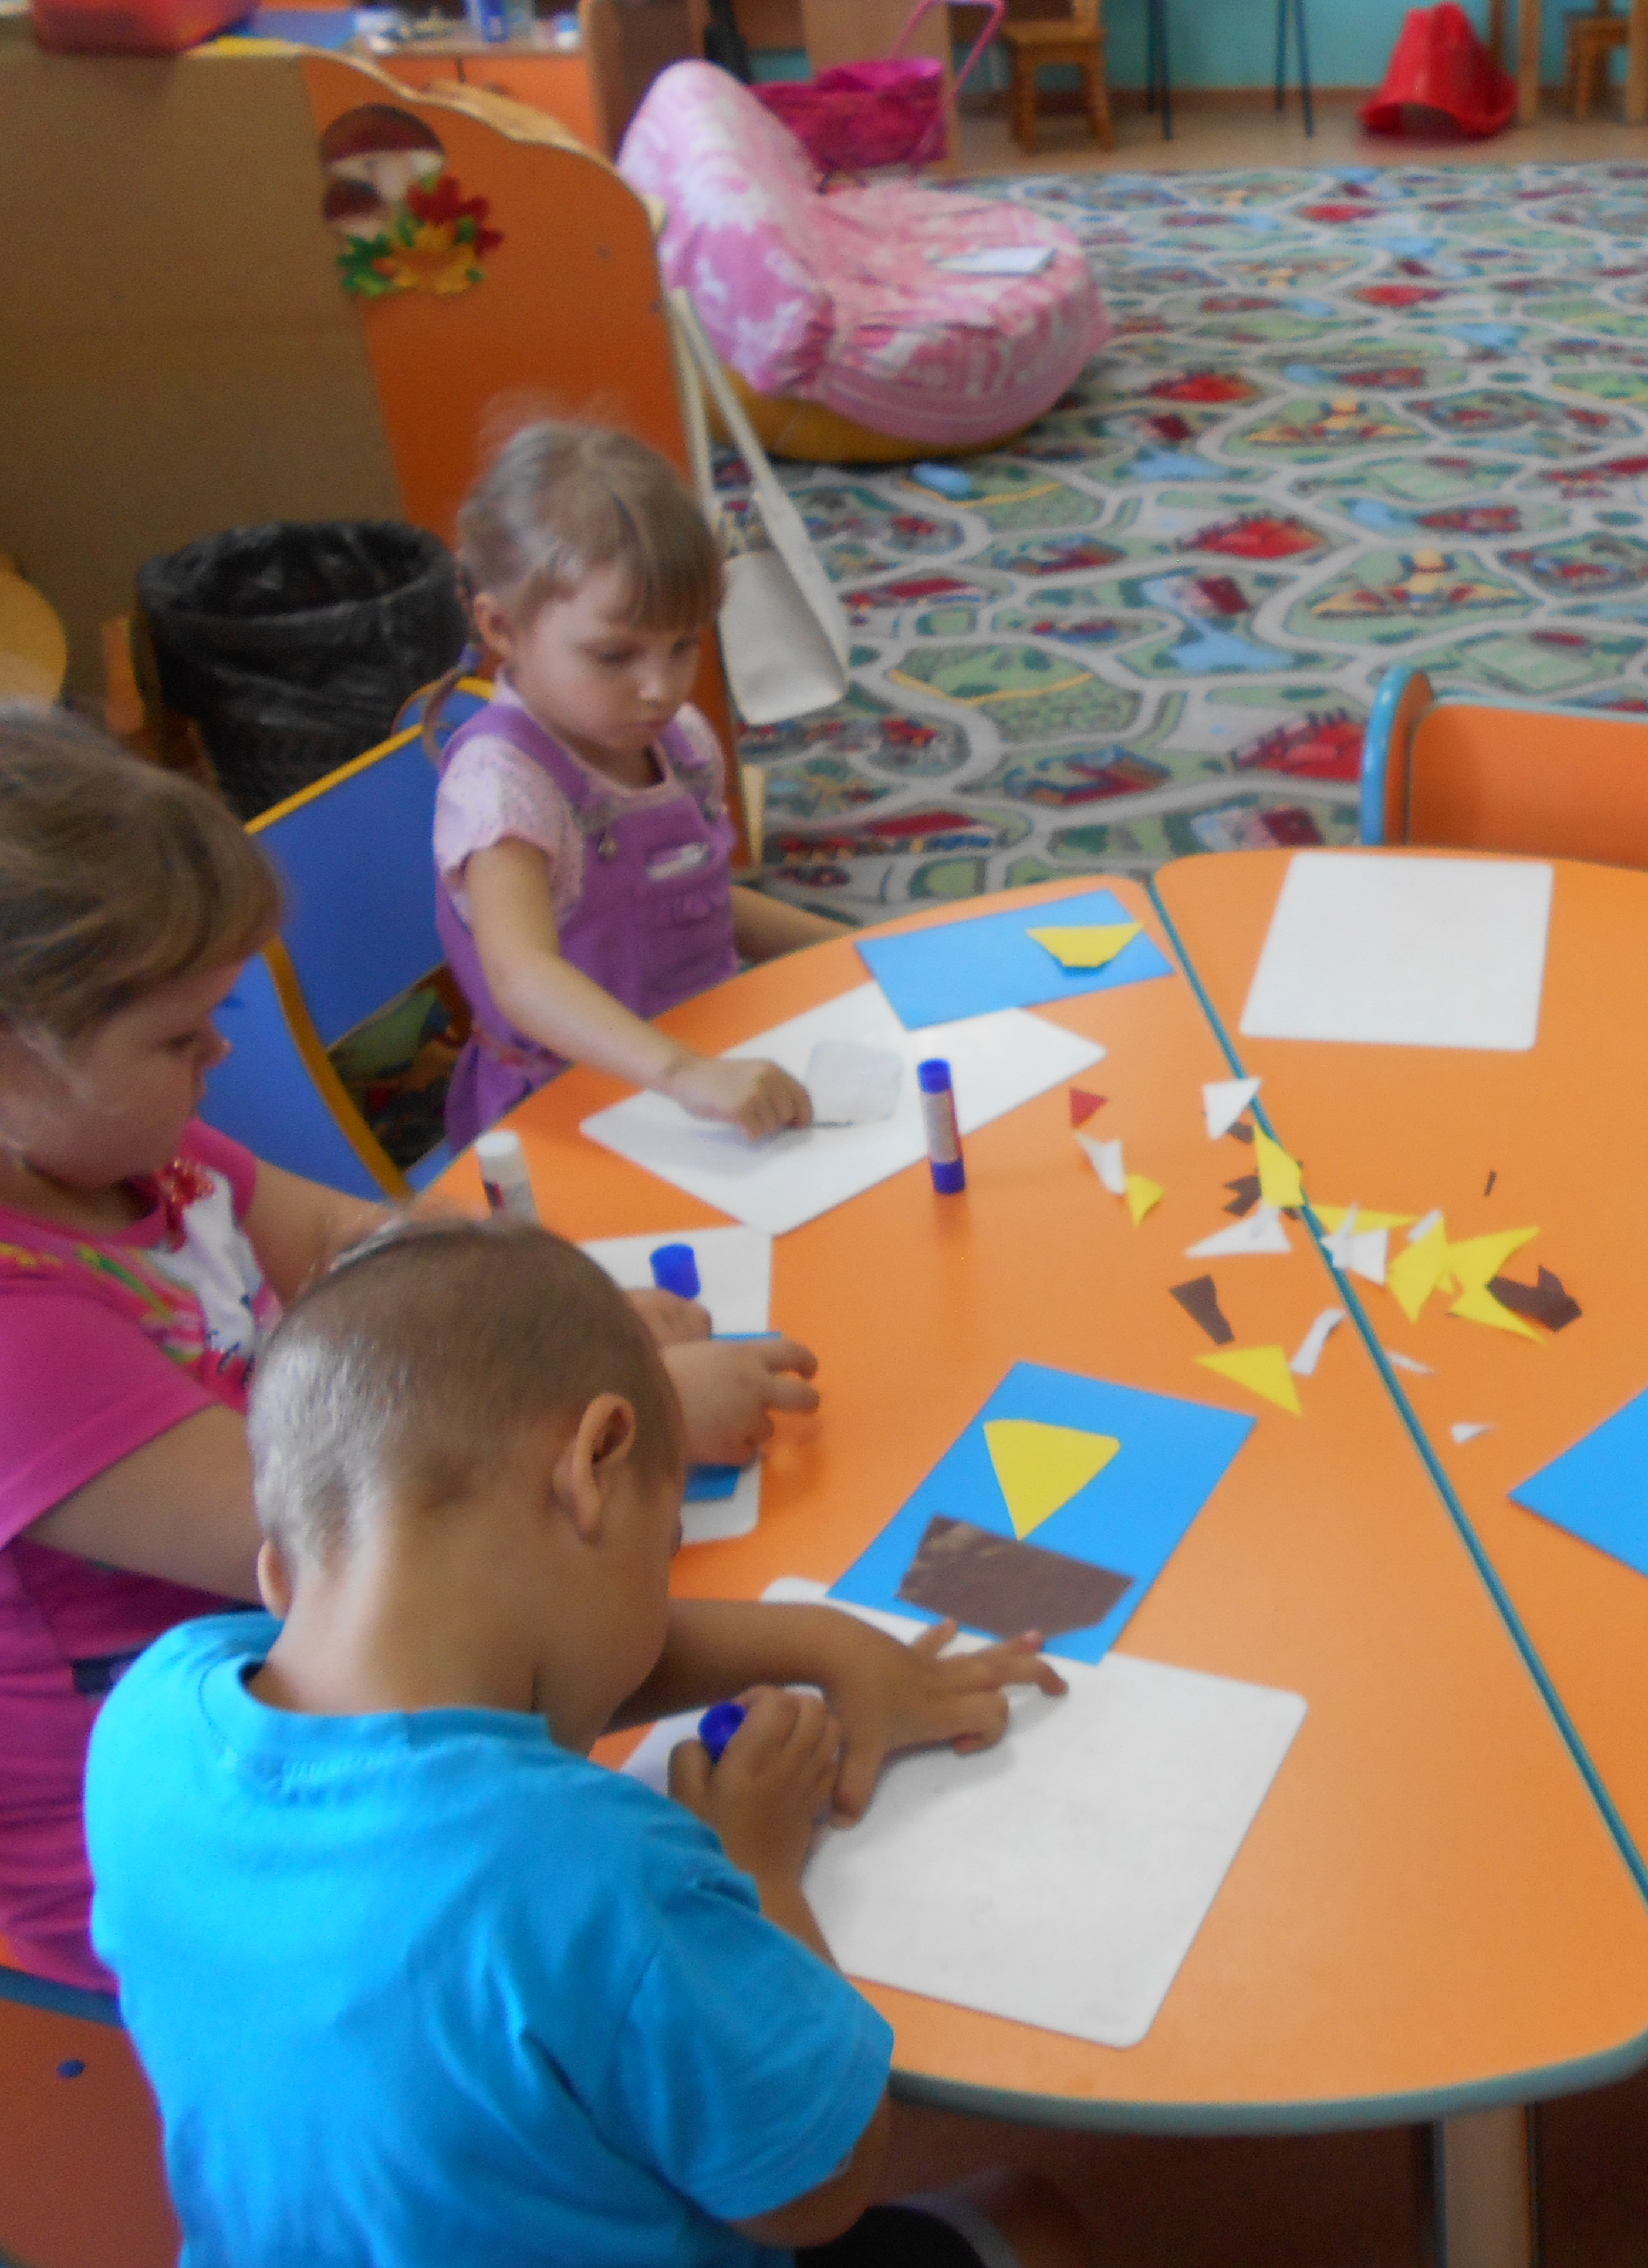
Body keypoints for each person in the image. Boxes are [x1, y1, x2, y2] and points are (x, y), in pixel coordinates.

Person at [0, 707, 816, 1990]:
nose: (221, 1054)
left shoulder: (123, 1152)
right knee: (631, 1916)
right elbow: (370, 1543)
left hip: (319, 1678)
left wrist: (564, 1316)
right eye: (177, 1037)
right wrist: (643, 1397)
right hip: (202, 1846)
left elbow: (349, 1240)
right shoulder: (19, 1334)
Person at [87, 1221, 1082, 2267]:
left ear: (278, 1574)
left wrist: (826, 1645)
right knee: (1037, 2220)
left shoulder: (152, 1716)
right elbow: (821, 2185)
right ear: (596, 1461)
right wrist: (756, 1865)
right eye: (666, 1550)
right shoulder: (597, 1872)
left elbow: (467, 1689)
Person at [425, 421, 852, 1154]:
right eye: (613, 655)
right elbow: (522, 977)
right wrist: (685, 1074)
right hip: (573, 1108)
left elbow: (701, 897)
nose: (660, 688)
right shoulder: (503, 788)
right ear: (501, 627)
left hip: (711, 1066)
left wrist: (862, 948)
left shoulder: (677, 738)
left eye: (684, 645)